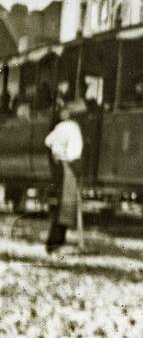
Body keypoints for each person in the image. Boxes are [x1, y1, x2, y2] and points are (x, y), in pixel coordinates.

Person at [44, 100, 85, 254]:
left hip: (61, 164)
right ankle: (54, 243)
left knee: (64, 205)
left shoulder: (61, 126)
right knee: (66, 206)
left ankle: (56, 242)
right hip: (69, 165)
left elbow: (47, 141)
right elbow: (74, 151)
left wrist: (57, 152)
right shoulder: (73, 128)